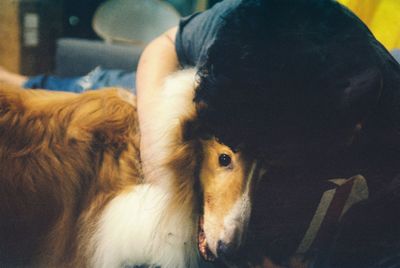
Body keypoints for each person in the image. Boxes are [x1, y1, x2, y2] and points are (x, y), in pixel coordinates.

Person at [1, 0, 400, 266]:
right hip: (160, 85)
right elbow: (163, 45)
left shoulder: (379, 136)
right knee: (78, 93)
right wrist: (157, 161)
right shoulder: (235, 24)